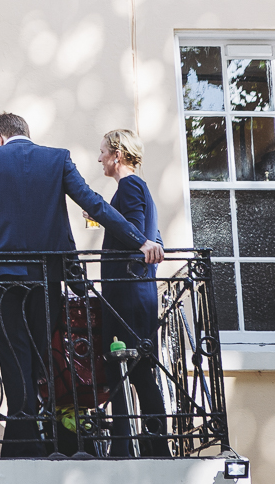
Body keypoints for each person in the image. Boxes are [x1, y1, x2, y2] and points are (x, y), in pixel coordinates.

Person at [0, 114, 163, 458]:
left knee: (14, 359)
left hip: (2, 279)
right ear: (27, 134)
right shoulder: (57, 158)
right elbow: (93, 204)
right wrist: (139, 239)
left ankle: (24, 447)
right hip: (47, 278)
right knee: (38, 359)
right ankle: (27, 443)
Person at [97, 129, 169, 459]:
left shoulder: (129, 185)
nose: (99, 159)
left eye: (102, 152)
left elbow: (139, 234)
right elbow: (154, 239)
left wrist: (106, 219)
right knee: (137, 370)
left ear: (117, 154)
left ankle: (140, 446)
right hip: (135, 291)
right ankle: (140, 444)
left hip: (128, 293)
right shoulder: (136, 188)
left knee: (130, 369)